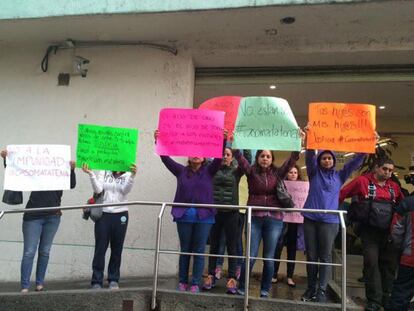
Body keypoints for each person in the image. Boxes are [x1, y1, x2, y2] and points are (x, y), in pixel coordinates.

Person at [154, 129, 226, 293]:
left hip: (204, 217)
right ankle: (183, 281)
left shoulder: (209, 171)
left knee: (199, 251)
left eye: (200, 153)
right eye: (193, 152)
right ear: (188, 156)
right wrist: (158, 140)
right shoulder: (180, 171)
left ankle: (195, 283)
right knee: (185, 249)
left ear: (205, 157)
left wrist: (223, 141)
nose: (196, 155)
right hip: (184, 215)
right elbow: (165, 158)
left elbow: (219, 158)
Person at [236, 129, 305, 298]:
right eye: (262, 156)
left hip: (274, 220)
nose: (265, 158)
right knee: (250, 256)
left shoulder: (278, 173)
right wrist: (233, 141)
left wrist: (299, 142)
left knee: (268, 258)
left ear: (272, 159)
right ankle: (242, 287)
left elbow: (291, 161)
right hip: (255, 218)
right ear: (258, 158)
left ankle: (265, 289)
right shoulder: (251, 172)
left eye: (268, 156)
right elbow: (240, 158)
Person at [1, 149, 76, 293]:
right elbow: (15, 174)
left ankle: (39, 283)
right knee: (29, 252)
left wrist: (71, 170)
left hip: (53, 216)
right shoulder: (35, 172)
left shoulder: (59, 173)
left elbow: (71, 185)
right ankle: (25, 286)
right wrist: (7, 159)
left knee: (45, 251)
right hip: (33, 216)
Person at [301, 144, 366, 303]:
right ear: (319, 160)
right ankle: (310, 289)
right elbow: (309, 157)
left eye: (329, 158)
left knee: (325, 257)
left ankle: (321, 290)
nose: (327, 160)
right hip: (310, 219)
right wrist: (310, 139)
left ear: (334, 160)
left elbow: (355, 162)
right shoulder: (313, 172)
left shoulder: (340, 176)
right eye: (324, 158)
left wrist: (365, 146)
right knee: (311, 256)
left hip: (330, 221)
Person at [340, 158, 403, 310]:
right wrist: (335, 215)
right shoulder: (362, 181)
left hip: (389, 233)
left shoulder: (394, 187)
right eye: (384, 169)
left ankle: (386, 298)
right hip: (369, 232)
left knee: (388, 266)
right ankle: (374, 301)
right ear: (376, 168)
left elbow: (402, 207)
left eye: (390, 170)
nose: (387, 172)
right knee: (371, 264)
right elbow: (341, 194)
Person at [82, 163, 137, 290]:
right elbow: (98, 190)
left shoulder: (127, 172)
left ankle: (113, 279)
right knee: (100, 248)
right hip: (104, 214)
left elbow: (125, 191)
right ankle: (96, 280)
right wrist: (91, 174)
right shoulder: (104, 169)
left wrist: (133, 176)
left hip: (121, 214)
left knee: (117, 248)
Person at [203, 147, 250, 294]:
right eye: (222, 154)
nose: (224, 156)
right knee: (215, 245)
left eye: (228, 154)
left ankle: (231, 278)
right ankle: (211, 275)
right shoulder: (212, 170)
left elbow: (246, 162)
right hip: (215, 213)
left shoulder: (236, 172)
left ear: (232, 158)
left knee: (232, 246)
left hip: (232, 214)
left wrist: (244, 144)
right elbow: (206, 155)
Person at [272, 165, 305, 287]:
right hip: (282, 219)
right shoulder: (281, 185)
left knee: (292, 250)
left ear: (298, 174)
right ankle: (274, 274)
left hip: (295, 222)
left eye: (295, 172)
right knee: (278, 247)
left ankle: (290, 276)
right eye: (290, 172)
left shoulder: (302, 187)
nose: (293, 174)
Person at [385, 196, 414, 311]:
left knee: (400, 294)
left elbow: (396, 230)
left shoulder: (408, 203)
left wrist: (400, 248)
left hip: (410, 257)